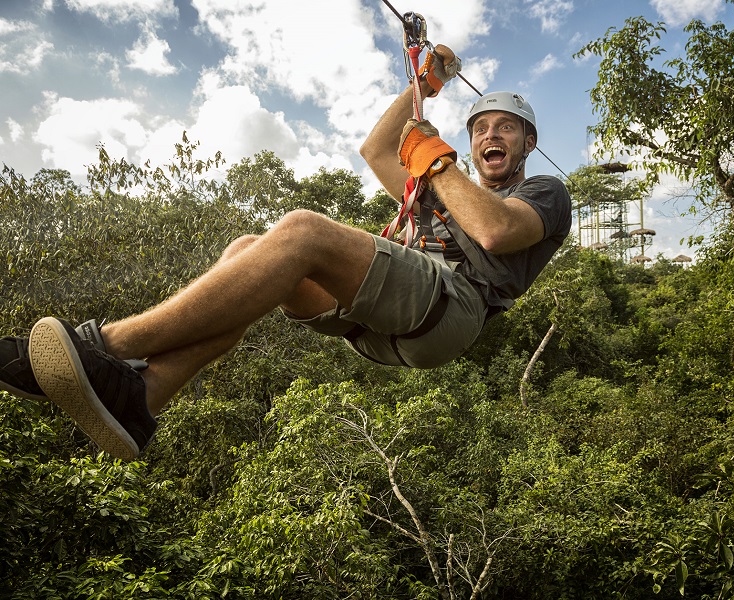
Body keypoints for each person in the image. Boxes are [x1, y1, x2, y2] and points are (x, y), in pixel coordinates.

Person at [0, 46, 572, 460]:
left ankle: (99, 349)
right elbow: (376, 150)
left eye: (506, 129)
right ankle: (143, 397)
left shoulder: (542, 192)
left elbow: (494, 231)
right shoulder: (443, 181)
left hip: (451, 309)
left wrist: (436, 160)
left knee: (302, 231)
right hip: (387, 319)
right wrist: (422, 86)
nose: (491, 137)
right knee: (248, 253)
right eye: (481, 129)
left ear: (529, 142)